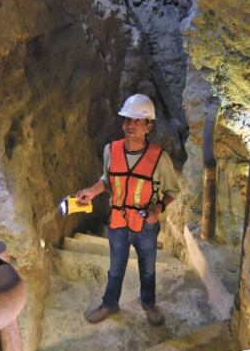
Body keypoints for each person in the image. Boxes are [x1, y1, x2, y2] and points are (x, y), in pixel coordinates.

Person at [75, 94, 180, 326]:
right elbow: (108, 178)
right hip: (118, 222)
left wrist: (159, 209)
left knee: (148, 269)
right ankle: (109, 304)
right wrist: (92, 191)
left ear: (148, 126)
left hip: (145, 225)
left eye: (137, 120)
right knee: (115, 268)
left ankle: (148, 303)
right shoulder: (111, 150)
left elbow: (172, 190)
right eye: (127, 120)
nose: (130, 125)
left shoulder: (159, 158)